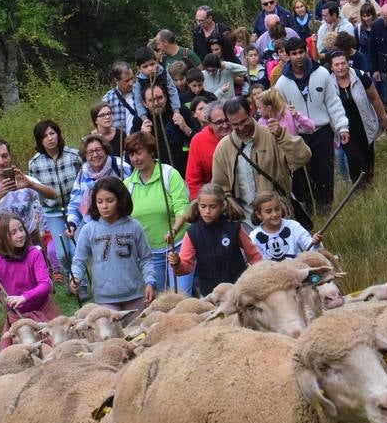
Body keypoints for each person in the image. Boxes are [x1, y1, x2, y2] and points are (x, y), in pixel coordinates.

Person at [275, 37, 349, 215]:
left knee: (325, 170)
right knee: (305, 175)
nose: (298, 57)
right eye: (294, 54)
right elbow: (280, 115)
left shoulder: (322, 73)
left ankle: (326, 208)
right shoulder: (282, 83)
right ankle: (309, 207)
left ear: (306, 51)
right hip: (298, 135)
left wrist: (342, 126)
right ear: (287, 56)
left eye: (301, 52)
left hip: (322, 130)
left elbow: (332, 102)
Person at [212, 96, 311, 227]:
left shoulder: (272, 135)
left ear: (251, 112)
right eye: (235, 124)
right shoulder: (223, 148)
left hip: (279, 216)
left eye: (243, 121)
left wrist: (282, 136)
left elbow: (302, 157)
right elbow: (219, 187)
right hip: (246, 223)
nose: (241, 128)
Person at [69, 177, 156, 316]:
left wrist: (150, 281)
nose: (104, 206)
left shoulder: (134, 226)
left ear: (120, 201)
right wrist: (75, 278)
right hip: (105, 298)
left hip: (134, 294)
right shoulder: (88, 229)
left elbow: (146, 258)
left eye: (110, 201)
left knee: (137, 334)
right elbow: (79, 260)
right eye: (99, 201)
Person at [123, 132, 193, 294]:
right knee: (161, 300)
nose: (135, 159)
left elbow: (182, 207)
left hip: (178, 247)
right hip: (150, 254)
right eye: (131, 154)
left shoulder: (169, 174)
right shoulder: (127, 184)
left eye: (139, 153)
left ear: (151, 151)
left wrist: (174, 229)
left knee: (181, 296)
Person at [0, 212, 60, 351]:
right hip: (18, 319)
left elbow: (45, 285)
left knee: (59, 347)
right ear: (1, 238)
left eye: (21, 229)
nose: (20, 234)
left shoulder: (34, 253)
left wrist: (24, 297)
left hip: (43, 310)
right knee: (15, 359)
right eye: (13, 232)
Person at [168, 183, 262, 295]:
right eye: (203, 206)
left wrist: (261, 274)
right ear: (198, 206)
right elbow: (186, 266)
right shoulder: (192, 233)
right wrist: (177, 263)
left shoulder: (234, 227)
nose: (207, 211)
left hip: (237, 290)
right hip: (209, 294)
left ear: (222, 206)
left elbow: (254, 256)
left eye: (212, 207)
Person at [28, 120, 82, 283]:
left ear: (58, 134)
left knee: (76, 249)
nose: (50, 138)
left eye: (52, 133)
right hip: (53, 212)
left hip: (76, 208)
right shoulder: (35, 163)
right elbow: (35, 192)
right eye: (45, 136)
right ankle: (68, 277)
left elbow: (83, 181)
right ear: (39, 140)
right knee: (62, 253)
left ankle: (81, 283)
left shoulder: (74, 156)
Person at [0, 137, 55, 242]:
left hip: (30, 238)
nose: (1, 162)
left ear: (10, 157)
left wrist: (31, 185)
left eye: (4, 156)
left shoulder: (24, 180)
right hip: (2, 242)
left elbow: (53, 195)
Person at [329, 52, 387, 185]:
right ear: (332, 67)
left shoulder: (360, 76)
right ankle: (358, 188)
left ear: (348, 63)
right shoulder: (328, 84)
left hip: (364, 124)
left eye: (343, 63)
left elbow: (375, 98)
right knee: (354, 159)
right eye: (337, 65)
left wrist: (383, 118)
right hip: (344, 129)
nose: (340, 67)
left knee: (367, 158)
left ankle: (369, 185)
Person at [66, 135, 131, 238]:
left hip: (118, 222)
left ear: (105, 150)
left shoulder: (120, 167)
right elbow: (75, 202)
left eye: (98, 150)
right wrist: (72, 223)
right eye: (90, 152)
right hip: (91, 223)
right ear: (85, 156)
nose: (95, 155)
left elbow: (132, 194)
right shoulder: (82, 174)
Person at [141, 84, 196, 176]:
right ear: (144, 103)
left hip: (184, 170)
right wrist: (142, 137)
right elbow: (133, 153)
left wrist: (186, 128)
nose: (156, 103)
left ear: (166, 97)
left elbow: (198, 140)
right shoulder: (141, 120)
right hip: (156, 174)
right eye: (151, 100)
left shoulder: (180, 111)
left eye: (160, 98)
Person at [249, 191, 321, 261]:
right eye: (268, 212)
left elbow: (313, 251)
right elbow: (256, 264)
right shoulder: (254, 237)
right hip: (271, 272)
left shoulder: (293, 226)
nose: (274, 214)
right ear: (259, 215)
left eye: (277, 209)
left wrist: (316, 244)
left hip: (298, 270)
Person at [185, 101, 231, 200]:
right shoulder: (198, 141)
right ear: (209, 123)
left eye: (227, 120)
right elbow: (193, 181)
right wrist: (200, 206)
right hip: (214, 200)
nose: (225, 125)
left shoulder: (238, 132)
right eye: (219, 122)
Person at [132, 46, 181, 123]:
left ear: (157, 62)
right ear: (139, 68)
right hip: (149, 113)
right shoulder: (139, 80)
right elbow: (138, 101)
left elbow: (173, 91)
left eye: (152, 64)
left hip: (167, 108)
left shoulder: (164, 73)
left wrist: (176, 111)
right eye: (145, 66)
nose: (150, 68)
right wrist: (144, 118)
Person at [102, 61, 141, 136]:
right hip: (120, 144)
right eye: (126, 81)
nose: (131, 83)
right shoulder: (108, 99)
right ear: (116, 81)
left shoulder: (140, 92)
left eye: (132, 79)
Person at [354, 2, 378, 73]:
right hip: (365, 63)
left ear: (373, 15)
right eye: (363, 16)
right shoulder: (358, 29)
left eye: (368, 15)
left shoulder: (379, 26)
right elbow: (357, 47)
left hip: (378, 62)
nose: (366, 19)